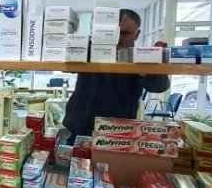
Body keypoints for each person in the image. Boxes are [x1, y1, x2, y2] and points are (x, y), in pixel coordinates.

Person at [63, 8, 170, 137]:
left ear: (137, 34)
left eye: (124, 33)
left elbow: (160, 86)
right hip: (80, 124)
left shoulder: (142, 56)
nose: (118, 38)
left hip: (117, 129)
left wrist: (145, 71)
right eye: (112, 33)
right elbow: (64, 64)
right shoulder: (89, 49)